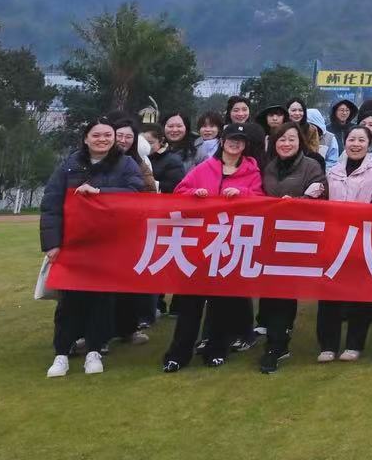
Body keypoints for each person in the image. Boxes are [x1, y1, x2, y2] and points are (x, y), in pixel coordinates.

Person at [41, 117, 147, 377]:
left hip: (109, 244)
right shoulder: (69, 164)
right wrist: (52, 243)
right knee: (70, 300)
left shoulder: (126, 164)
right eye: (96, 135)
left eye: (107, 135)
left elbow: (136, 194)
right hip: (74, 243)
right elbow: (51, 204)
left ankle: (95, 350)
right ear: (86, 138)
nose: (103, 139)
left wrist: (101, 192)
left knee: (102, 300)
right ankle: (61, 353)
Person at [164, 122, 265, 370]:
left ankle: (217, 350)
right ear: (222, 141)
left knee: (222, 304)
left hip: (230, 243)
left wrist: (241, 193)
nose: (235, 144)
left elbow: (261, 201)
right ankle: (178, 354)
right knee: (190, 304)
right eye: (231, 139)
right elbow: (180, 192)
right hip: (200, 244)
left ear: (245, 145)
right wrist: (194, 194)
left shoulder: (252, 172)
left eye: (240, 141)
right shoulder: (205, 167)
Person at [255, 121, 327, 372]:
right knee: (271, 290)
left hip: (297, 237)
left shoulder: (311, 166)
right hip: (269, 236)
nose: (286, 144)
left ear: (300, 142)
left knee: (285, 291)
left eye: (291, 139)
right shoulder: (269, 167)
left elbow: (319, 197)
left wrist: (295, 202)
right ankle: (274, 338)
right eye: (281, 139)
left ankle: (277, 345)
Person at [318, 123, 372, 361]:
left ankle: (354, 344)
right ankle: (328, 345)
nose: (355, 144)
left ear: (369, 144)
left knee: (360, 293)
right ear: (345, 142)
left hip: (363, 239)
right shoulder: (334, 171)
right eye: (351, 139)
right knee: (329, 292)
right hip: (335, 239)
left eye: (361, 140)